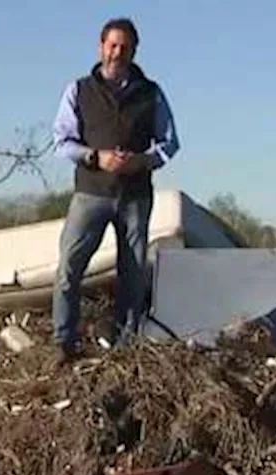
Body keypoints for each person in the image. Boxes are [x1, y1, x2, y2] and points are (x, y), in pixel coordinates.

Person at [51, 17, 179, 361]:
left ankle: (125, 344)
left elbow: (169, 143)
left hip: (135, 196)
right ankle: (63, 341)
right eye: (112, 45)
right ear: (100, 47)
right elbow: (61, 141)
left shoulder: (150, 93)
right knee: (68, 267)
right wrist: (95, 156)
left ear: (134, 51)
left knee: (133, 272)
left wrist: (141, 161)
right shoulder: (78, 90)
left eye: (124, 47)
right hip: (90, 193)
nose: (117, 53)